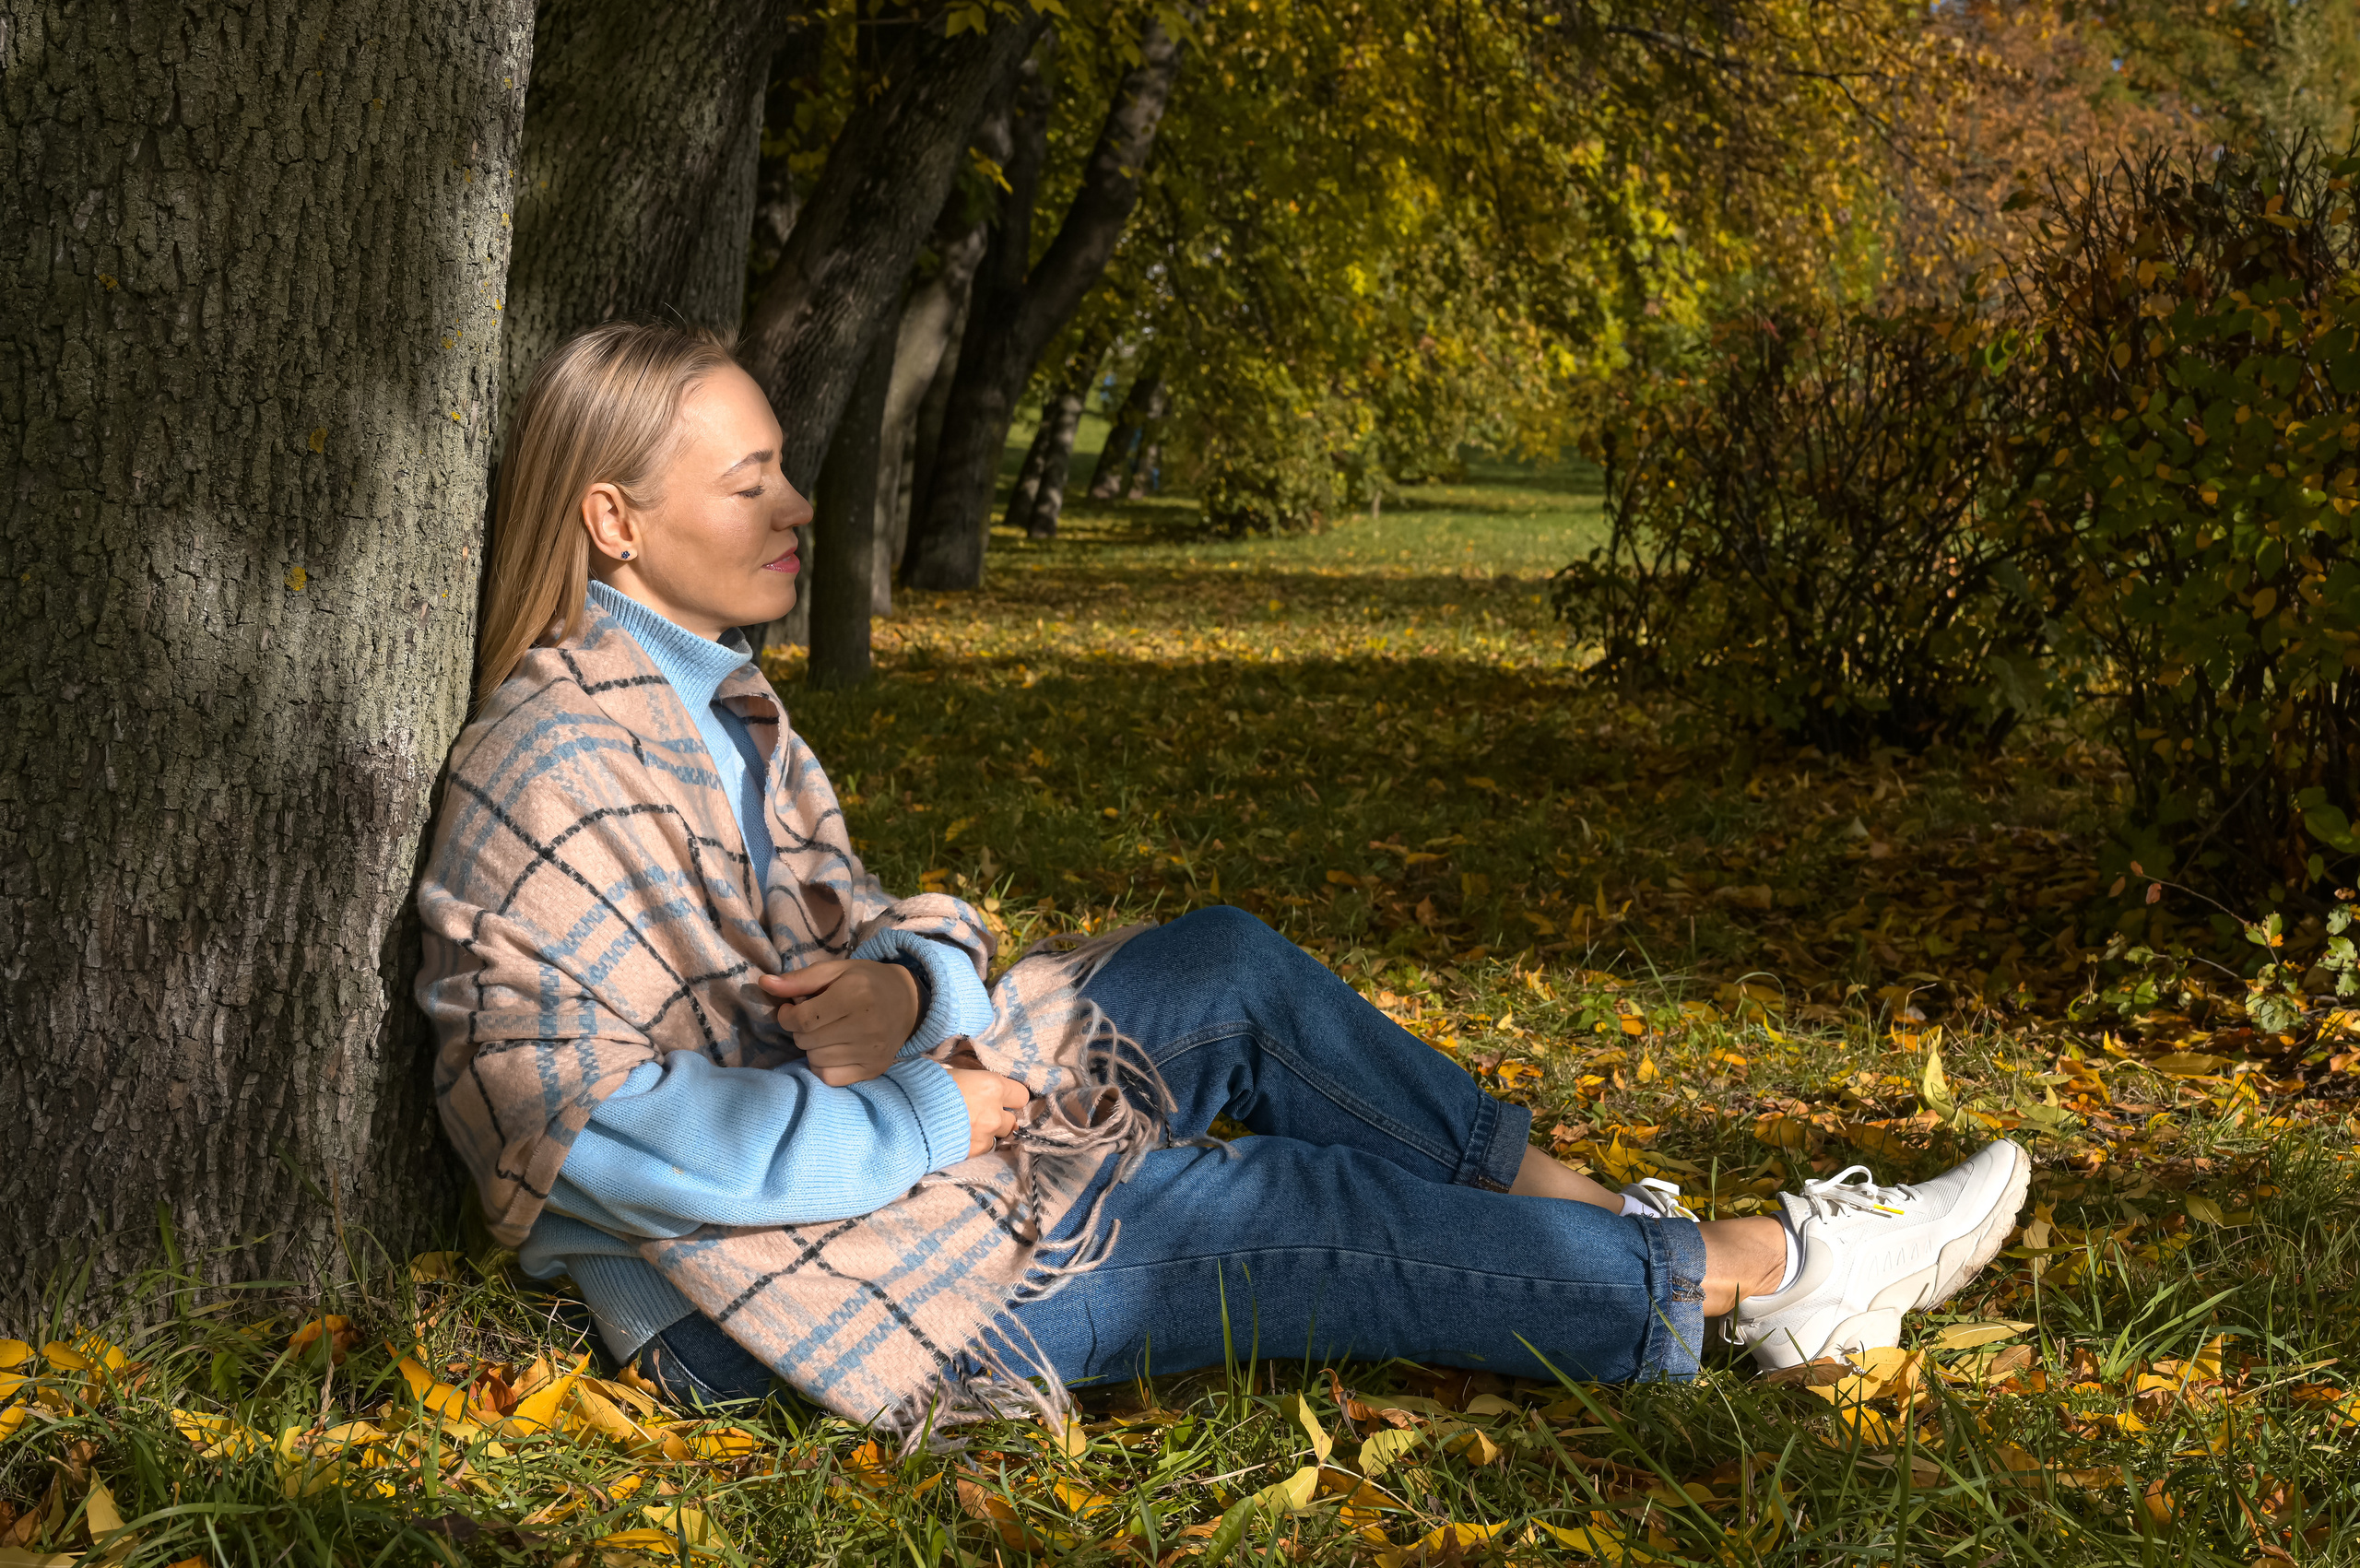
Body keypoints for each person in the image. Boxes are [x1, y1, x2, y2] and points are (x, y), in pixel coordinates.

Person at [417, 322, 2031, 1430]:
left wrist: (913, 988)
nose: (795, 504)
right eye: (746, 478)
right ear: (615, 521)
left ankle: (1609, 1223)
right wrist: (926, 1115)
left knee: (1224, 969)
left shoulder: (722, 705)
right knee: (1271, 1203)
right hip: (758, 1296)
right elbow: (590, 1135)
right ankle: (1767, 1274)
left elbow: (874, 921)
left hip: (863, 1152)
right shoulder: (556, 761)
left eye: (785, 464)